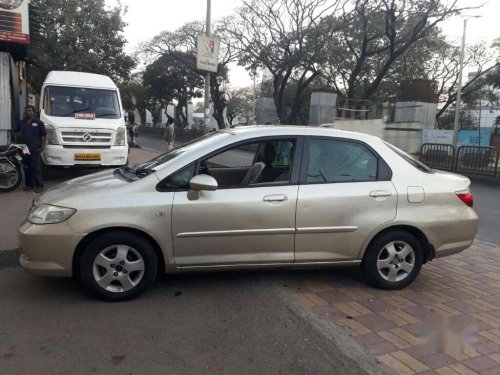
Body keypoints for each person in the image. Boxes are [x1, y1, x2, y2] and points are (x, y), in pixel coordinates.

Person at [14, 105, 47, 193]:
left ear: (33, 112)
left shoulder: (39, 123)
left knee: (36, 167)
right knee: (27, 167)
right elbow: (16, 131)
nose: (27, 112)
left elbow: (45, 135)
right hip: (24, 148)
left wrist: (43, 147)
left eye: (29, 110)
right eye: (26, 111)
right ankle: (29, 185)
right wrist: (19, 137)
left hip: (35, 148)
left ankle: (39, 186)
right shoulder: (21, 122)